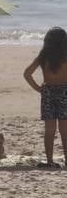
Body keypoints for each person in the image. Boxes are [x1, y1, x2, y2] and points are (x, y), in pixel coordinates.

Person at [23, 27, 67, 168]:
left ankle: (49, 160)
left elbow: (27, 73)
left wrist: (38, 88)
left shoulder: (43, 56)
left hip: (47, 92)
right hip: (64, 92)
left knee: (49, 130)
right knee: (64, 130)